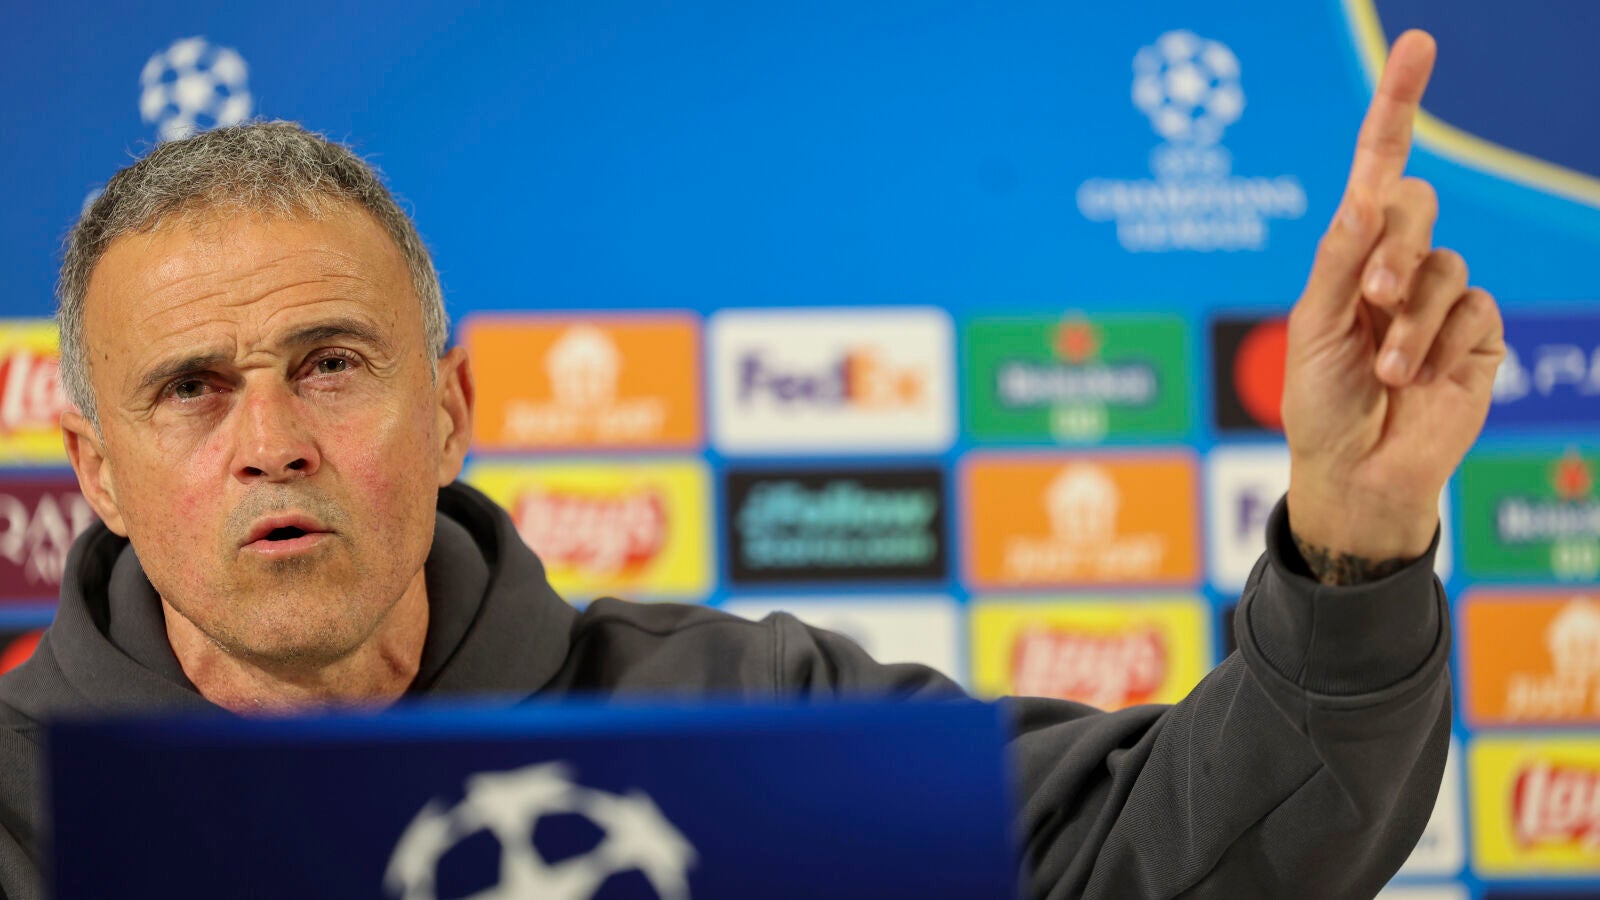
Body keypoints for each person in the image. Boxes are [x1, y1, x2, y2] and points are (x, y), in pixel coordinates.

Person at [0, 29, 1500, 899]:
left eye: (332, 365)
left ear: (450, 409)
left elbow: (1191, 851)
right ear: (98, 469)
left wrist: (1355, 535)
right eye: (190, 391)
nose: (272, 442)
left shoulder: (745, 718)